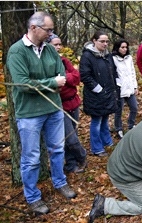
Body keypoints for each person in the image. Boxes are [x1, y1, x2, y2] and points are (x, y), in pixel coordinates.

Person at [6, 11, 76, 215]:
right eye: (48, 30)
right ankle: (32, 196)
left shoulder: (50, 50)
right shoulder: (17, 51)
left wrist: (50, 83)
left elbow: (61, 76)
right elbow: (23, 84)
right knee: (31, 157)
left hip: (53, 109)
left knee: (57, 149)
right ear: (34, 28)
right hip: (29, 114)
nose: (51, 33)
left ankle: (60, 182)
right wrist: (51, 83)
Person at [47, 34, 87, 174]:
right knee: (71, 139)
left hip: (73, 103)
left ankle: (71, 164)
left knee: (71, 135)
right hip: (60, 106)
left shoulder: (64, 61)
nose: (58, 47)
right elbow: (54, 86)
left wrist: (64, 78)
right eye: (55, 44)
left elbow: (76, 77)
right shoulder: (46, 64)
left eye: (59, 44)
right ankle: (82, 156)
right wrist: (64, 80)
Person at [80, 30, 119, 157]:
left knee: (105, 118)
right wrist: (99, 89)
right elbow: (85, 76)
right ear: (94, 41)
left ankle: (107, 141)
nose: (105, 44)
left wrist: (115, 86)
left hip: (108, 92)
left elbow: (113, 71)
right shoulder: (87, 56)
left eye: (107, 41)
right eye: (102, 41)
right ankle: (96, 148)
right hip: (95, 95)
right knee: (96, 121)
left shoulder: (107, 55)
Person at [112, 39, 138, 138]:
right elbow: (113, 75)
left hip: (130, 88)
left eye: (126, 47)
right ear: (117, 48)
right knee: (119, 111)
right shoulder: (113, 59)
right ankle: (118, 129)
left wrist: (135, 86)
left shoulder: (129, 58)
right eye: (122, 47)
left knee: (134, 108)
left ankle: (131, 125)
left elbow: (132, 72)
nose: (124, 49)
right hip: (119, 90)